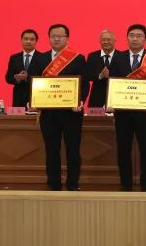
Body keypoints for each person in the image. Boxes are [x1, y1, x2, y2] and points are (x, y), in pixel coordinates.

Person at [32, 24, 89, 191]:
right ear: (49, 38)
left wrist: (80, 101)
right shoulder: (40, 58)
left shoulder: (77, 58)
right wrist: (34, 100)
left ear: (67, 38)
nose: (56, 39)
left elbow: (84, 84)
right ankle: (53, 183)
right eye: (53, 36)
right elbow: (33, 82)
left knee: (73, 149)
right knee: (51, 150)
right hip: (48, 113)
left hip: (71, 113)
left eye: (60, 36)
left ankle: (73, 184)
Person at [109, 23, 146, 191]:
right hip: (122, 112)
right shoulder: (118, 57)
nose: (135, 39)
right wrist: (110, 102)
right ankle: (125, 184)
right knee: (123, 149)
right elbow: (112, 81)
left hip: (145, 112)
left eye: (139, 36)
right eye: (132, 35)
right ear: (127, 38)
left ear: (145, 39)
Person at [4, 28, 40, 107]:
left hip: (36, 96)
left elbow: (44, 78)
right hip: (18, 98)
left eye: (32, 39)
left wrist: (27, 77)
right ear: (21, 40)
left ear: (36, 41)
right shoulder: (14, 58)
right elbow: (8, 78)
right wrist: (17, 78)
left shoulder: (42, 57)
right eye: (26, 39)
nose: (28, 41)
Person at [85, 29, 120, 108]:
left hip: (116, 98)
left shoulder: (122, 56)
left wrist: (110, 75)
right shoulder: (93, 56)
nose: (106, 42)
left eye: (109, 39)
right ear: (100, 41)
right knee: (95, 116)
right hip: (96, 99)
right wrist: (100, 75)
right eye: (103, 40)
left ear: (114, 41)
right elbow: (87, 75)